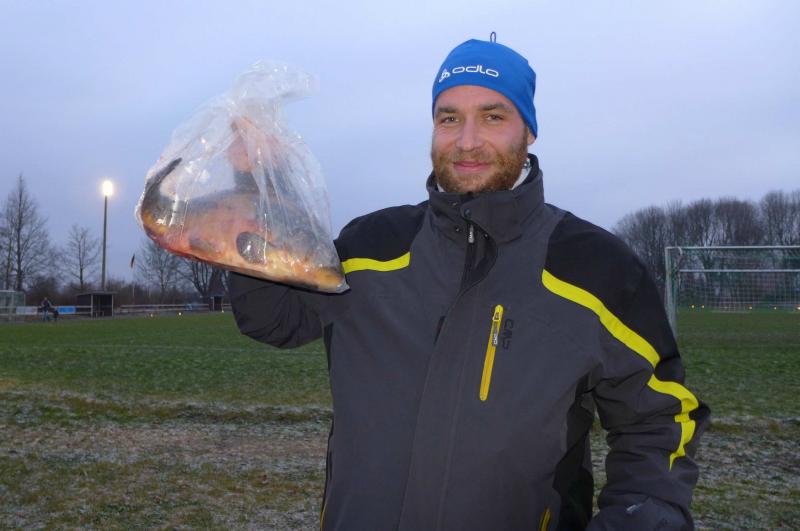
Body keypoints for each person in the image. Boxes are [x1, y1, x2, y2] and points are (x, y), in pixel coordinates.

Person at [230, 35, 709, 530]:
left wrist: (641, 518)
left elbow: (658, 421)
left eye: (493, 117)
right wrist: (257, 184)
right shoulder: (369, 246)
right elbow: (271, 316)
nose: (466, 141)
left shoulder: (595, 267)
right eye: (449, 118)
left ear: (529, 130)